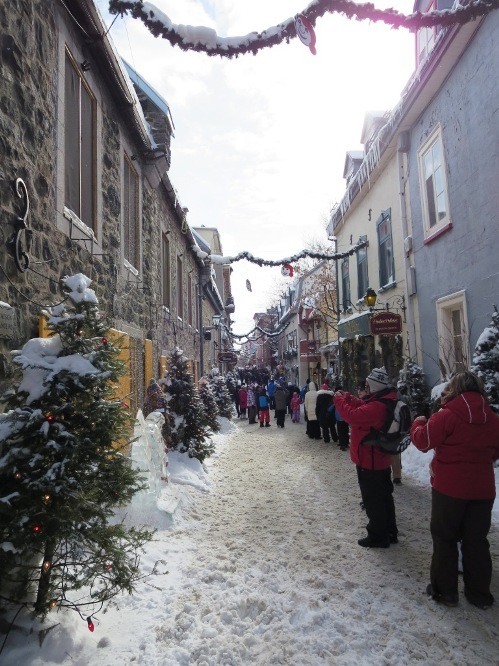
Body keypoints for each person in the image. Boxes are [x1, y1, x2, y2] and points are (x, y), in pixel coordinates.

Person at [410, 371, 499, 609]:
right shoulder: (492, 418)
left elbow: (423, 441)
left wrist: (418, 422)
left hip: (449, 488)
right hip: (483, 489)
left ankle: (445, 592)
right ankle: (479, 594)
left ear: (455, 389)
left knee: (445, 538)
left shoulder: (446, 415)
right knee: (477, 541)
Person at [334, 367, 398, 548]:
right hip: (379, 459)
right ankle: (390, 531)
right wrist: (347, 398)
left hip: (370, 461)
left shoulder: (377, 406)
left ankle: (378, 535)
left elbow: (351, 416)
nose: (366, 388)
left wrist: (339, 400)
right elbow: (361, 407)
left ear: (375, 386)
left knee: (373, 500)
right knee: (385, 496)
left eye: (369, 385)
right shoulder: (382, 401)